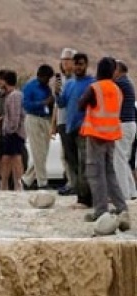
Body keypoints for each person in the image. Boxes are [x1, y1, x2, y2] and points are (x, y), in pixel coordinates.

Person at [77, 56, 128, 233]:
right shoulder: (117, 89)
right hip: (111, 136)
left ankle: (101, 211)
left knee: (95, 175)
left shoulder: (95, 88)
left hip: (96, 135)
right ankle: (122, 209)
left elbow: (80, 105)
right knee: (110, 173)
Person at [59, 52, 95, 208]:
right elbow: (62, 104)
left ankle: (85, 199)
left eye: (81, 64)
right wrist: (56, 92)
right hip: (69, 127)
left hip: (84, 128)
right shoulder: (69, 84)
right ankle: (79, 194)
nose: (78, 67)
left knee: (84, 164)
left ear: (86, 65)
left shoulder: (92, 83)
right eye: (76, 64)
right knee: (72, 163)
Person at [21, 64, 55, 189]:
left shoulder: (47, 88)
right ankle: (42, 183)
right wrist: (43, 103)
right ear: (41, 76)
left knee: (42, 152)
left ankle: (27, 179)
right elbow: (26, 105)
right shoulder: (30, 87)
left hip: (46, 119)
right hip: (34, 118)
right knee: (38, 151)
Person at [53, 48, 77, 194]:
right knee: (65, 155)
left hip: (72, 121)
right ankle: (71, 182)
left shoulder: (76, 80)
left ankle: (75, 184)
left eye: (68, 60)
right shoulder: (61, 80)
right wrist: (53, 124)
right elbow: (57, 104)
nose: (65, 63)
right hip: (62, 121)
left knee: (72, 155)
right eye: (63, 60)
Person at [112, 60, 137, 200]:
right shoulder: (127, 82)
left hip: (123, 124)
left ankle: (123, 193)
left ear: (118, 71)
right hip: (129, 124)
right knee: (123, 159)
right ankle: (132, 191)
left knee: (119, 160)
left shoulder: (120, 84)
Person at [0, 70, 26, 191]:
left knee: (15, 158)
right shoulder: (10, 95)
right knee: (8, 158)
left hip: (14, 133)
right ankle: (6, 184)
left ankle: (17, 184)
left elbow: (15, 116)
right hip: (11, 132)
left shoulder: (14, 95)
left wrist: (10, 130)